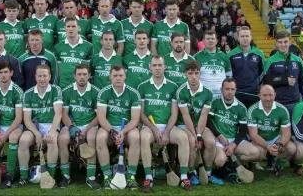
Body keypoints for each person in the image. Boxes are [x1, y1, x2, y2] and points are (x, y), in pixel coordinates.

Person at [139, 55, 192, 191]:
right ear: (150, 67)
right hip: (150, 127)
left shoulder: (173, 87)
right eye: (154, 65)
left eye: (160, 65)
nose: (157, 68)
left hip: (168, 126)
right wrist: (155, 130)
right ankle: (148, 177)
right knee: (144, 137)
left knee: (183, 138)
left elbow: (174, 113)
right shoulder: (143, 86)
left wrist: (166, 132)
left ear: (165, 67)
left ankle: (184, 176)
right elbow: (142, 114)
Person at [176, 60, 223, 185]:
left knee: (211, 142)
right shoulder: (181, 91)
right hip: (184, 125)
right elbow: (185, 116)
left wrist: (199, 135)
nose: (194, 77)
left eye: (196, 73)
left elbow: (203, 116)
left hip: (200, 125)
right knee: (191, 141)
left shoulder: (207, 92)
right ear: (185, 74)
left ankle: (208, 173)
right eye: (190, 73)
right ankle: (192, 172)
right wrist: (195, 136)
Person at [96, 65, 141, 190]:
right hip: (109, 128)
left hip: (127, 129)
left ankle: (131, 177)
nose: (118, 78)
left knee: (136, 136)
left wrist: (123, 132)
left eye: (120, 75)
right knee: (100, 137)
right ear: (110, 76)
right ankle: (107, 177)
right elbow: (101, 117)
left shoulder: (133, 93)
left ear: (125, 76)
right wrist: (112, 131)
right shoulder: (104, 92)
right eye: (115, 76)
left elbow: (135, 119)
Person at [206, 78, 261, 181]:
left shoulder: (241, 107)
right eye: (227, 89)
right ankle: (224, 164)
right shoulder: (215, 101)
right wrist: (219, 135)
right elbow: (208, 121)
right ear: (222, 89)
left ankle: (231, 164)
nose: (229, 92)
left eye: (232, 89)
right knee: (219, 161)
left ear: (236, 90)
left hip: (233, 140)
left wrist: (233, 145)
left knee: (256, 153)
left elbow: (243, 131)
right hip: (218, 140)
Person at [18, 64, 62, 187]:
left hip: (51, 124)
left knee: (52, 141)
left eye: (45, 76)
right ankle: (24, 176)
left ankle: (51, 176)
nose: (42, 79)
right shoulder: (28, 94)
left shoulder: (55, 90)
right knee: (23, 141)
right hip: (34, 126)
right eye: (39, 76)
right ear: (35, 77)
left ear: (50, 77)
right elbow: (26, 119)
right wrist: (37, 133)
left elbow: (58, 114)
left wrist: (52, 132)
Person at [58, 64, 100, 189]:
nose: (82, 77)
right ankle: (65, 175)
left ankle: (91, 177)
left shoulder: (96, 92)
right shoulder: (66, 91)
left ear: (89, 76)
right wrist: (73, 129)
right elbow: (64, 114)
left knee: (92, 137)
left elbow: (99, 117)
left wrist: (85, 130)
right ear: (74, 76)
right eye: (79, 74)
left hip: (90, 125)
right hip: (72, 125)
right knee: (62, 139)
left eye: (85, 74)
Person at [247, 85, 296, 175]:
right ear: (259, 95)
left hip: (275, 139)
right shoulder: (252, 110)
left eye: (270, 95)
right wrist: (268, 147)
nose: (268, 98)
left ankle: (278, 166)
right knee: (258, 152)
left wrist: (279, 144)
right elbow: (253, 135)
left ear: (275, 95)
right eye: (264, 95)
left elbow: (287, 133)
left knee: (291, 148)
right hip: (259, 140)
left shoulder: (282, 109)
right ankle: (252, 165)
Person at [263, 31, 303, 116]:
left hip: (295, 104)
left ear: (290, 42)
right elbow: (266, 81)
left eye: (285, 42)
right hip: (276, 104)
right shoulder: (269, 61)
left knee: (294, 129)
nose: (283, 45)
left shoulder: (298, 60)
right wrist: (284, 80)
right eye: (280, 42)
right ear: (276, 43)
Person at [227, 26, 265, 108]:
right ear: (238, 38)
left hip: (254, 93)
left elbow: (262, 72)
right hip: (237, 93)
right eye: (242, 36)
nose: (245, 38)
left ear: (251, 37)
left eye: (247, 36)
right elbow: (228, 74)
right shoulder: (231, 54)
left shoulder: (259, 54)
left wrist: (257, 84)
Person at [54, 16, 93, 88]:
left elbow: (89, 69)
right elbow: (58, 71)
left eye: (73, 26)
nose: (71, 29)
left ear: (78, 28)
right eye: (68, 26)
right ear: (64, 28)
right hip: (63, 86)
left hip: (81, 87)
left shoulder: (88, 46)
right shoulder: (58, 47)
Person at [194, 30, 232, 98]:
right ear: (203, 41)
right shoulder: (196, 57)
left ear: (216, 41)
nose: (210, 41)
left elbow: (229, 77)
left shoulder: (224, 56)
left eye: (212, 38)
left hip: (221, 96)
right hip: (203, 95)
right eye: (208, 39)